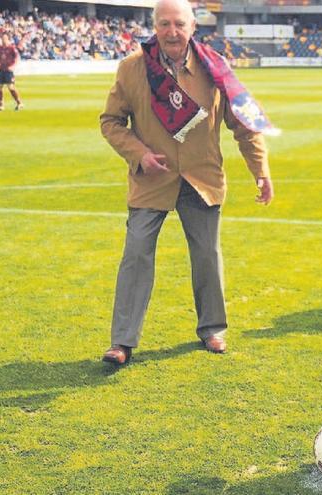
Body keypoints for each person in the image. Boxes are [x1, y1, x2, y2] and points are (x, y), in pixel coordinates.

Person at [98, 0, 276, 365]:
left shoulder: (215, 68)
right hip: (151, 181)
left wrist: (260, 170)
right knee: (136, 255)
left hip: (202, 178)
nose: (172, 31)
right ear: (155, 26)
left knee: (207, 256)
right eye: (164, 24)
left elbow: (243, 124)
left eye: (179, 23)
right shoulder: (132, 69)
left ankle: (212, 328)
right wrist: (139, 154)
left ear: (193, 26)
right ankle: (122, 341)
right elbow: (111, 122)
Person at [0, 33, 23, 111]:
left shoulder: (12, 48)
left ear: (8, 39)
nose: (4, 40)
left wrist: (13, 66)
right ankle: (1, 105)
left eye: (5, 38)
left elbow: (17, 58)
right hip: (1, 70)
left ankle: (19, 103)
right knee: (0, 87)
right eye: (2, 38)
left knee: (10, 87)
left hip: (8, 70)